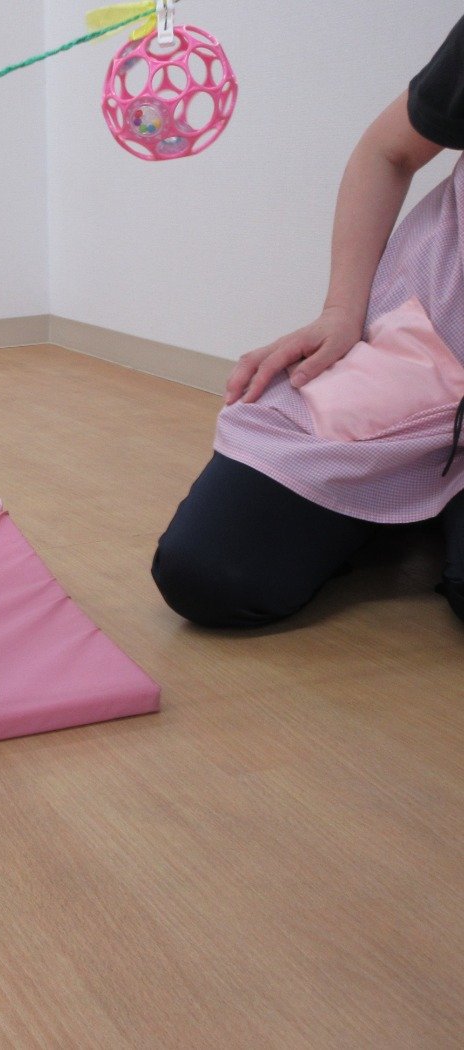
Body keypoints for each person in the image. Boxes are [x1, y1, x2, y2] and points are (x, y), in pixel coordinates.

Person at [152, 15, 464, 629]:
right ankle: (397, 510)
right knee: (207, 574)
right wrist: (342, 311)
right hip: (424, 350)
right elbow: (387, 150)